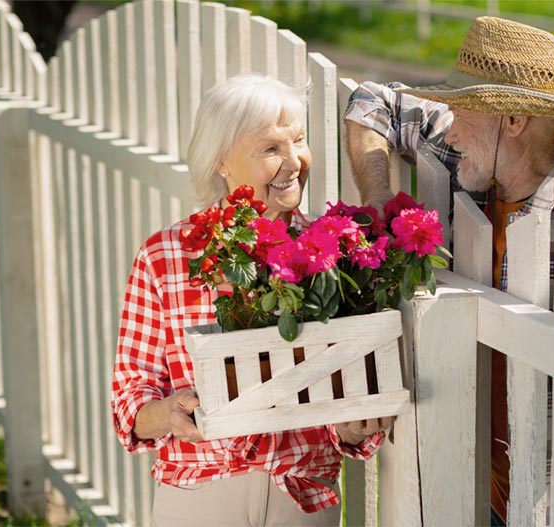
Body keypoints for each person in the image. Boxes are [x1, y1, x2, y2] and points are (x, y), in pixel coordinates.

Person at [343, 17, 554, 526]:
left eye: (462, 111)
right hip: (490, 493)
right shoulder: (472, 152)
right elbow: (371, 100)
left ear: (514, 119)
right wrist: (379, 199)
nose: (449, 129)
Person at [111, 74, 391, 527]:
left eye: (298, 141)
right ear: (222, 162)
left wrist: (352, 426)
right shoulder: (166, 256)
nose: (294, 161)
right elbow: (130, 394)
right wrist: (167, 413)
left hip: (302, 495)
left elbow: (354, 386)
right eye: (270, 149)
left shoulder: (335, 252)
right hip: (200, 493)